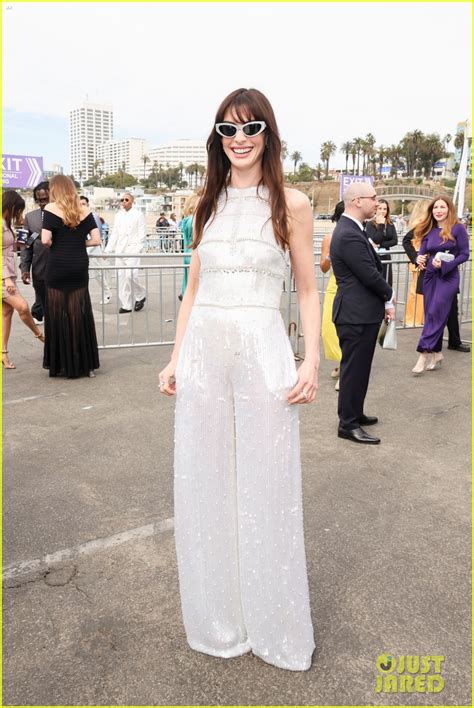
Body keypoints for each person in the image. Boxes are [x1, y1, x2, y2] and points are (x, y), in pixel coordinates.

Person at [159, 88, 320, 671]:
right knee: (205, 482)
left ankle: (275, 626)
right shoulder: (206, 201)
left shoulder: (293, 204)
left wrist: (312, 361)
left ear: (268, 135)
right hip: (203, 352)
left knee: (268, 485)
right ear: (218, 140)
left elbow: (305, 287)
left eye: (251, 127)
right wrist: (176, 358)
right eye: (228, 130)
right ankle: (219, 621)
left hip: (263, 351)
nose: (240, 138)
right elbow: (193, 290)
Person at [330, 183, 395, 445]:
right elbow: (369, 274)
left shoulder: (354, 229)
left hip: (362, 313)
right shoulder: (347, 233)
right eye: (373, 198)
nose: (377, 203)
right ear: (357, 201)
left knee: (360, 369)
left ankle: (355, 413)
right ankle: (347, 424)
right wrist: (389, 296)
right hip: (354, 314)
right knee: (353, 371)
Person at [41, 175, 101, 378]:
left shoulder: (50, 209)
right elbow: (96, 240)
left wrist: (61, 243)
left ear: (55, 189)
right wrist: (77, 244)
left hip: (58, 265)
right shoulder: (84, 210)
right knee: (79, 314)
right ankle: (85, 365)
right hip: (78, 266)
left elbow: (45, 240)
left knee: (57, 314)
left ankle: (59, 364)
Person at [412, 195, 469, 374]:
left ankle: (423, 353)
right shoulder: (429, 229)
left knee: (436, 311)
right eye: (435, 207)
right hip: (429, 276)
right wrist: (419, 258)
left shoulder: (457, 228)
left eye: (442, 207)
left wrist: (445, 264)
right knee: (431, 314)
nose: (438, 210)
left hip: (448, 277)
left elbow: (464, 254)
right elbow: (422, 252)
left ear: (449, 209)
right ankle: (436, 353)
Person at [2, 190, 45, 369]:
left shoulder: (6, 224)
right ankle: (40, 335)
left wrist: (27, 239)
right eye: (18, 210)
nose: (19, 214)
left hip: (8, 275)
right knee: (22, 306)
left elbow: (10, 246)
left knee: (6, 313)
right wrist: (7, 278)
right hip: (4, 277)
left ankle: (3, 354)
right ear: (10, 206)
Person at [105, 193, 146, 313]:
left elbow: (142, 234)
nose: (124, 201)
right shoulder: (118, 215)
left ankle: (140, 295)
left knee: (131, 276)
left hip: (133, 250)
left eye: (126, 199)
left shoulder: (139, 215)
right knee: (122, 278)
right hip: (120, 251)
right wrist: (108, 250)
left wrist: (137, 249)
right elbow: (115, 234)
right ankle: (126, 305)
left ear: (132, 201)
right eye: (122, 200)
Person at [320, 200, 344, 391]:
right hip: (334, 285)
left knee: (347, 329)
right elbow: (323, 268)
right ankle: (340, 361)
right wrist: (329, 257)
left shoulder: (360, 235)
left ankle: (345, 369)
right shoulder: (329, 237)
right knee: (328, 329)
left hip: (352, 286)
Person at [20, 180, 50, 323]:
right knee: (45, 305)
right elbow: (27, 245)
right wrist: (25, 268)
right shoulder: (30, 218)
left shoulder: (64, 215)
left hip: (62, 269)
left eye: (45, 199)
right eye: (39, 200)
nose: (42, 203)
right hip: (40, 271)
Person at [79, 196, 111, 305]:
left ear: (88, 205)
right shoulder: (77, 216)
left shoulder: (93, 216)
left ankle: (107, 292)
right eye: (80, 204)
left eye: (84, 204)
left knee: (98, 273)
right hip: (83, 250)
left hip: (94, 248)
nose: (82, 206)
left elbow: (98, 236)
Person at [402, 200, 427, 327]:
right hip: (420, 261)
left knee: (416, 292)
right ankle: (415, 319)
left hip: (418, 260)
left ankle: (414, 318)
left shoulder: (418, 223)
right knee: (417, 292)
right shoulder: (421, 224)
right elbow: (406, 240)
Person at [365, 199, 398, 286]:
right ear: (376, 209)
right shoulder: (370, 224)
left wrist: (380, 245)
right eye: (380, 208)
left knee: (387, 282)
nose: (382, 211)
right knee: (376, 283)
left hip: (386, 256)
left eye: (385, 209)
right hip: (375, 257)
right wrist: (381, 225)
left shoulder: (390, 223)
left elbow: (395, 241)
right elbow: (376, 239)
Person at [178, 193, 200, 300]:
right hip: (195, 255)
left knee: (187, 279)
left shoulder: (185, 221)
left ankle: (185, 293)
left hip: (187, 253)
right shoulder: (194, 220)